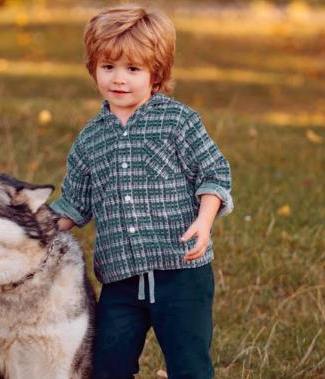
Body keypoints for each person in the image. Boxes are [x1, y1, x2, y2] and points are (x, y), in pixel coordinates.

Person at [50, 6, 233, 379]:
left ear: (156, 73)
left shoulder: (178, 121)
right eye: (108, 67)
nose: (119, 79)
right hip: (120, 281)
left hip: (181, 273)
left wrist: (204, 219)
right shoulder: (90, 138)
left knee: (190, 366)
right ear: (93, 69)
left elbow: (214, 172)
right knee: (108, 366)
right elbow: (73, 204)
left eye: (133, 69)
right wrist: (32, 229)